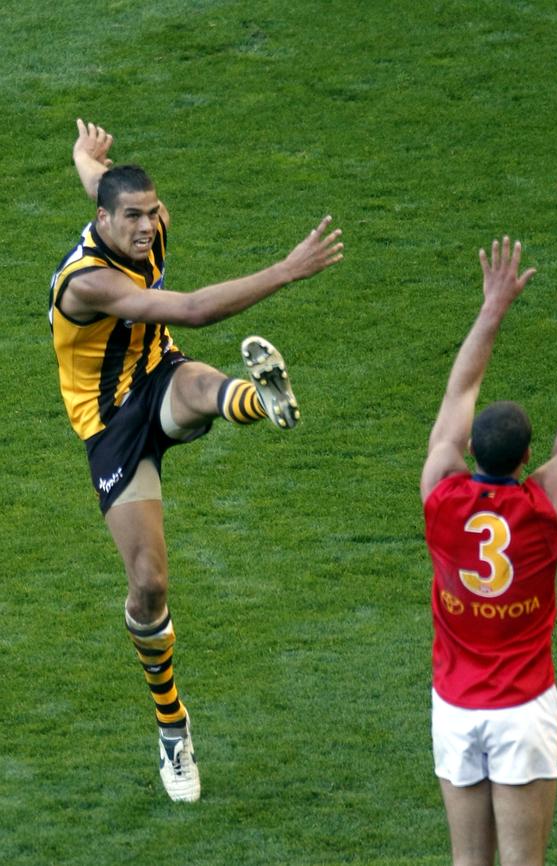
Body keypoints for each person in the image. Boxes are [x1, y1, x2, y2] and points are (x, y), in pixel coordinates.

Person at [49, 119, 343, 803]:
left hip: (159, 375)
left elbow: (106, 184)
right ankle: (172, 727)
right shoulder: (88, 281)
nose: (149, 227)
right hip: (110, 428)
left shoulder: (133, 215)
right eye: (134, 218)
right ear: (103, 222)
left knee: (199, 388)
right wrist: (287, 270)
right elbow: (190, 307)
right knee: (150, 585)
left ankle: (255, 399)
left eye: (153, 213)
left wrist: (82, 157)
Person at [420, 237, 557, 866]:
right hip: (523, 709)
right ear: (525, 458)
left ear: (471, 451)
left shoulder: (440, 494)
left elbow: (458, 397)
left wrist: (493, 308)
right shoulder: (544, 507)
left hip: (456, 709)